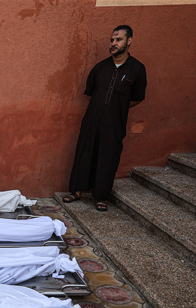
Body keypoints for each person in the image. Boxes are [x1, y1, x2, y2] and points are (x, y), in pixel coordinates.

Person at [63, 25, 147, 212]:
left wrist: (117, 107)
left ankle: (101, 196)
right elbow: (90, 94)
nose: (114, 43)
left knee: (108, 158)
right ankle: (77, 191)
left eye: (118, 39)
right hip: (92, 120)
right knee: (84, 153)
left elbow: (137, 98)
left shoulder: (137, 69)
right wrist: (101, 106)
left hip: (115, 123)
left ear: (129, 41)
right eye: (112, 40)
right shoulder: (100, 68)